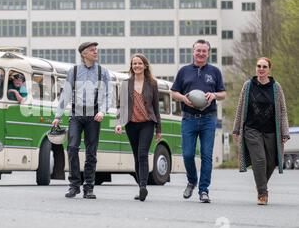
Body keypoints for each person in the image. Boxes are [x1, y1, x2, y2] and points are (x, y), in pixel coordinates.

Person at [52, 41, 111, 199]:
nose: (95, 52)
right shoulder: (74, 71)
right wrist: (58, 116)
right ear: (84, 54)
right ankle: (74, 185)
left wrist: (103, 112)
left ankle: (89, 188)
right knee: (72, 148)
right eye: (92, 50)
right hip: (76, 116)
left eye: (96, 50)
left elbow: (108, 95)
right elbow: (65, 94)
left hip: (94, 117)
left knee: (91, 152)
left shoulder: (103, 72)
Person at [171, 39, 226, 203]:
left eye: (204, 51)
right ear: (193, 52)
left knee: (206, 155)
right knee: (187, 154)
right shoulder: (184, 71)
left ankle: (204, 190)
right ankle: (192, 180)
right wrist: (183, 98)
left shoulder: (215, 71)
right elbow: (174, 92)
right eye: (198, 51)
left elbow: (223, 93)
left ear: (208, 53)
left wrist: (214, 95)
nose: (201, 53)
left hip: (208, 119)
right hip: (189, 119)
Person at [232, 57, 290, 205]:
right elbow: (240, 108)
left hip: (271, 131)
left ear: (269, 69)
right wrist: (237, 129)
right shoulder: (248, 86)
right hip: (252, 129)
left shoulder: (276, 88)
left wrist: (284, 132)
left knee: (271, 162)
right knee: (259, 160)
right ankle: (262, 193)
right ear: (256, 68)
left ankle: (260, 184)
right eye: (259, 66)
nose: (261, 69)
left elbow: (282, 110)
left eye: (264, 66)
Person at [115, 54, 162, 201]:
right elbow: (120, 106)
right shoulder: (125, 84)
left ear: (145, 66)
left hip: (147, 123)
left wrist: (158, 128)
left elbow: (156, 107)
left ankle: (143, 187)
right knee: (136, 156)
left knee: (143, 154)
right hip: (131, 124)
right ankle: (140, 186)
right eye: (134, 64)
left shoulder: (152, 84)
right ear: (131, 66)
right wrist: (118, 122)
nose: (137, 66)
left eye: (139, 63)